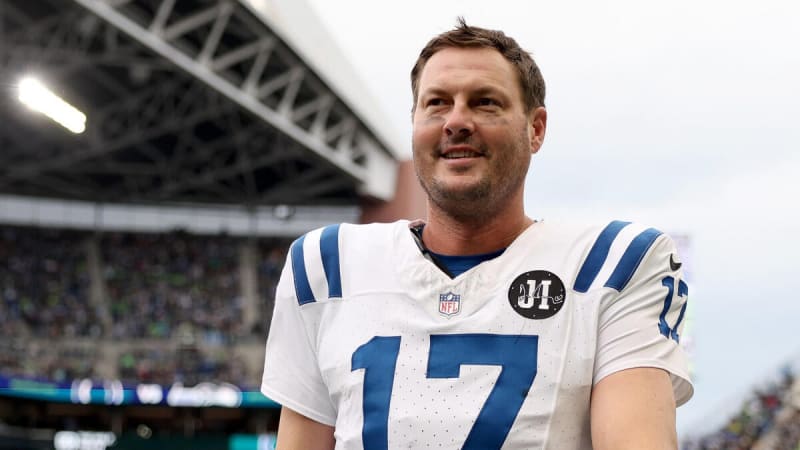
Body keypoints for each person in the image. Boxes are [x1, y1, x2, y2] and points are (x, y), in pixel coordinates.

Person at [261, 18, 692, 450]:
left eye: (485, 103)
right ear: (414, 121)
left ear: (535, 128)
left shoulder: (615, 264)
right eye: (437, 103)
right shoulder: (327, 264)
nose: (457, 121)